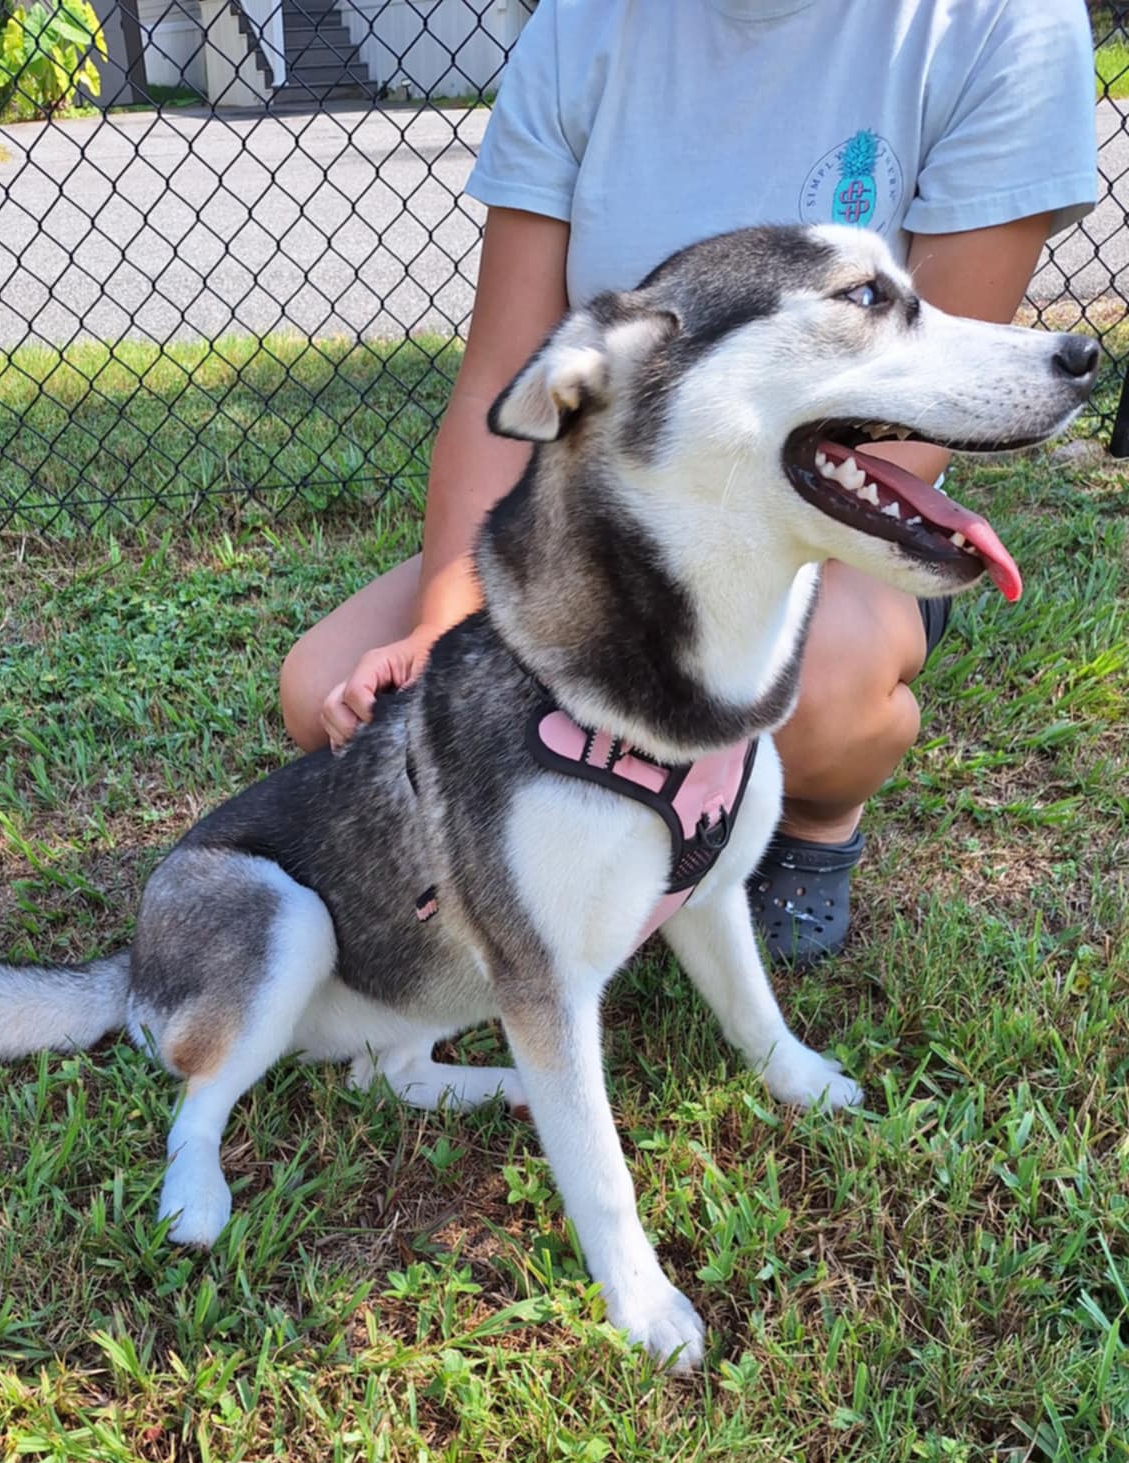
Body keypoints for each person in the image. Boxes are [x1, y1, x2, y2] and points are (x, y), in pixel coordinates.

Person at [278, 0, 1098, 963]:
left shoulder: (1000, 22)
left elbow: (921, 401)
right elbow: (502, 374)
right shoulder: (582, 26)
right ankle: (622, 822)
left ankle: (813, 823)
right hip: (608, 511)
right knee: (330, 695)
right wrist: (443, 623)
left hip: (824, 513)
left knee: (816, 701)